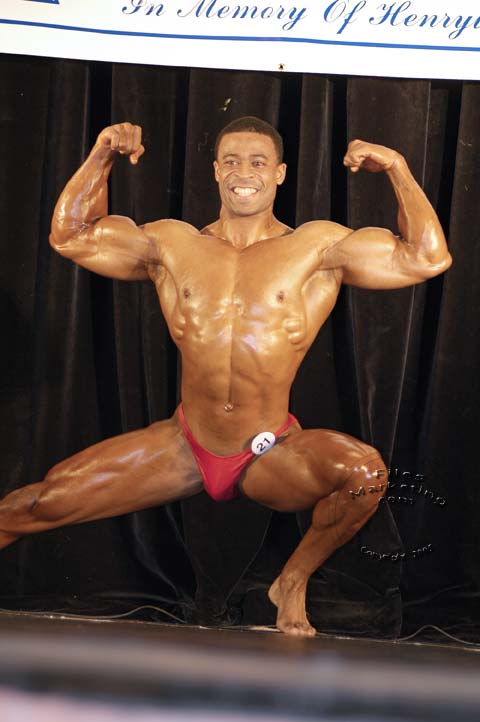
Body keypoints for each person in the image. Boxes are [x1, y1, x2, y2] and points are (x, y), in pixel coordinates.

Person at [0, 117, 451, 636]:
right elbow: (71, 236)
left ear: (280, 174)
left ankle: (292, 581)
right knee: (37, 504)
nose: (244, 172)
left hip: (271, 451)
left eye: (258, 162)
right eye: (231, 161)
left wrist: (397, 168)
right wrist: (102, 152)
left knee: (365, 475)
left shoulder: (318, 249)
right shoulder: (172, 244)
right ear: (215, 171)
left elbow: (428, 257)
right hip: (185, 445)